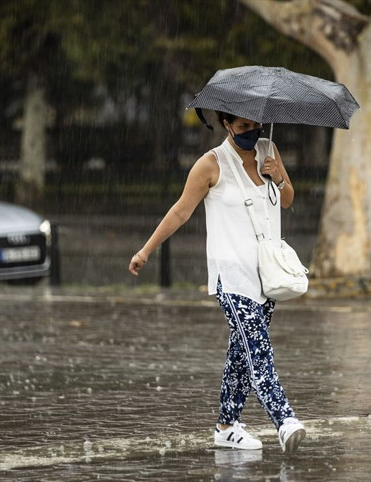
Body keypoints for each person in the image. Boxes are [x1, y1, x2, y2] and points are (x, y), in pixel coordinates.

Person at [128, 112, 306, 454]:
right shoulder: (210, 164)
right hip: (232, 275)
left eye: (255, 126)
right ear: (226, 125)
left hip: (266, 275)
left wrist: (279, 177)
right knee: (257, 349)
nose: (251, 133)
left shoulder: (269, 150)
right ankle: (284, 420)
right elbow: (181, 211)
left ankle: (226, 426)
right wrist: (146, 250)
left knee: (241, 353)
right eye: (243, 127)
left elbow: (287, 200)